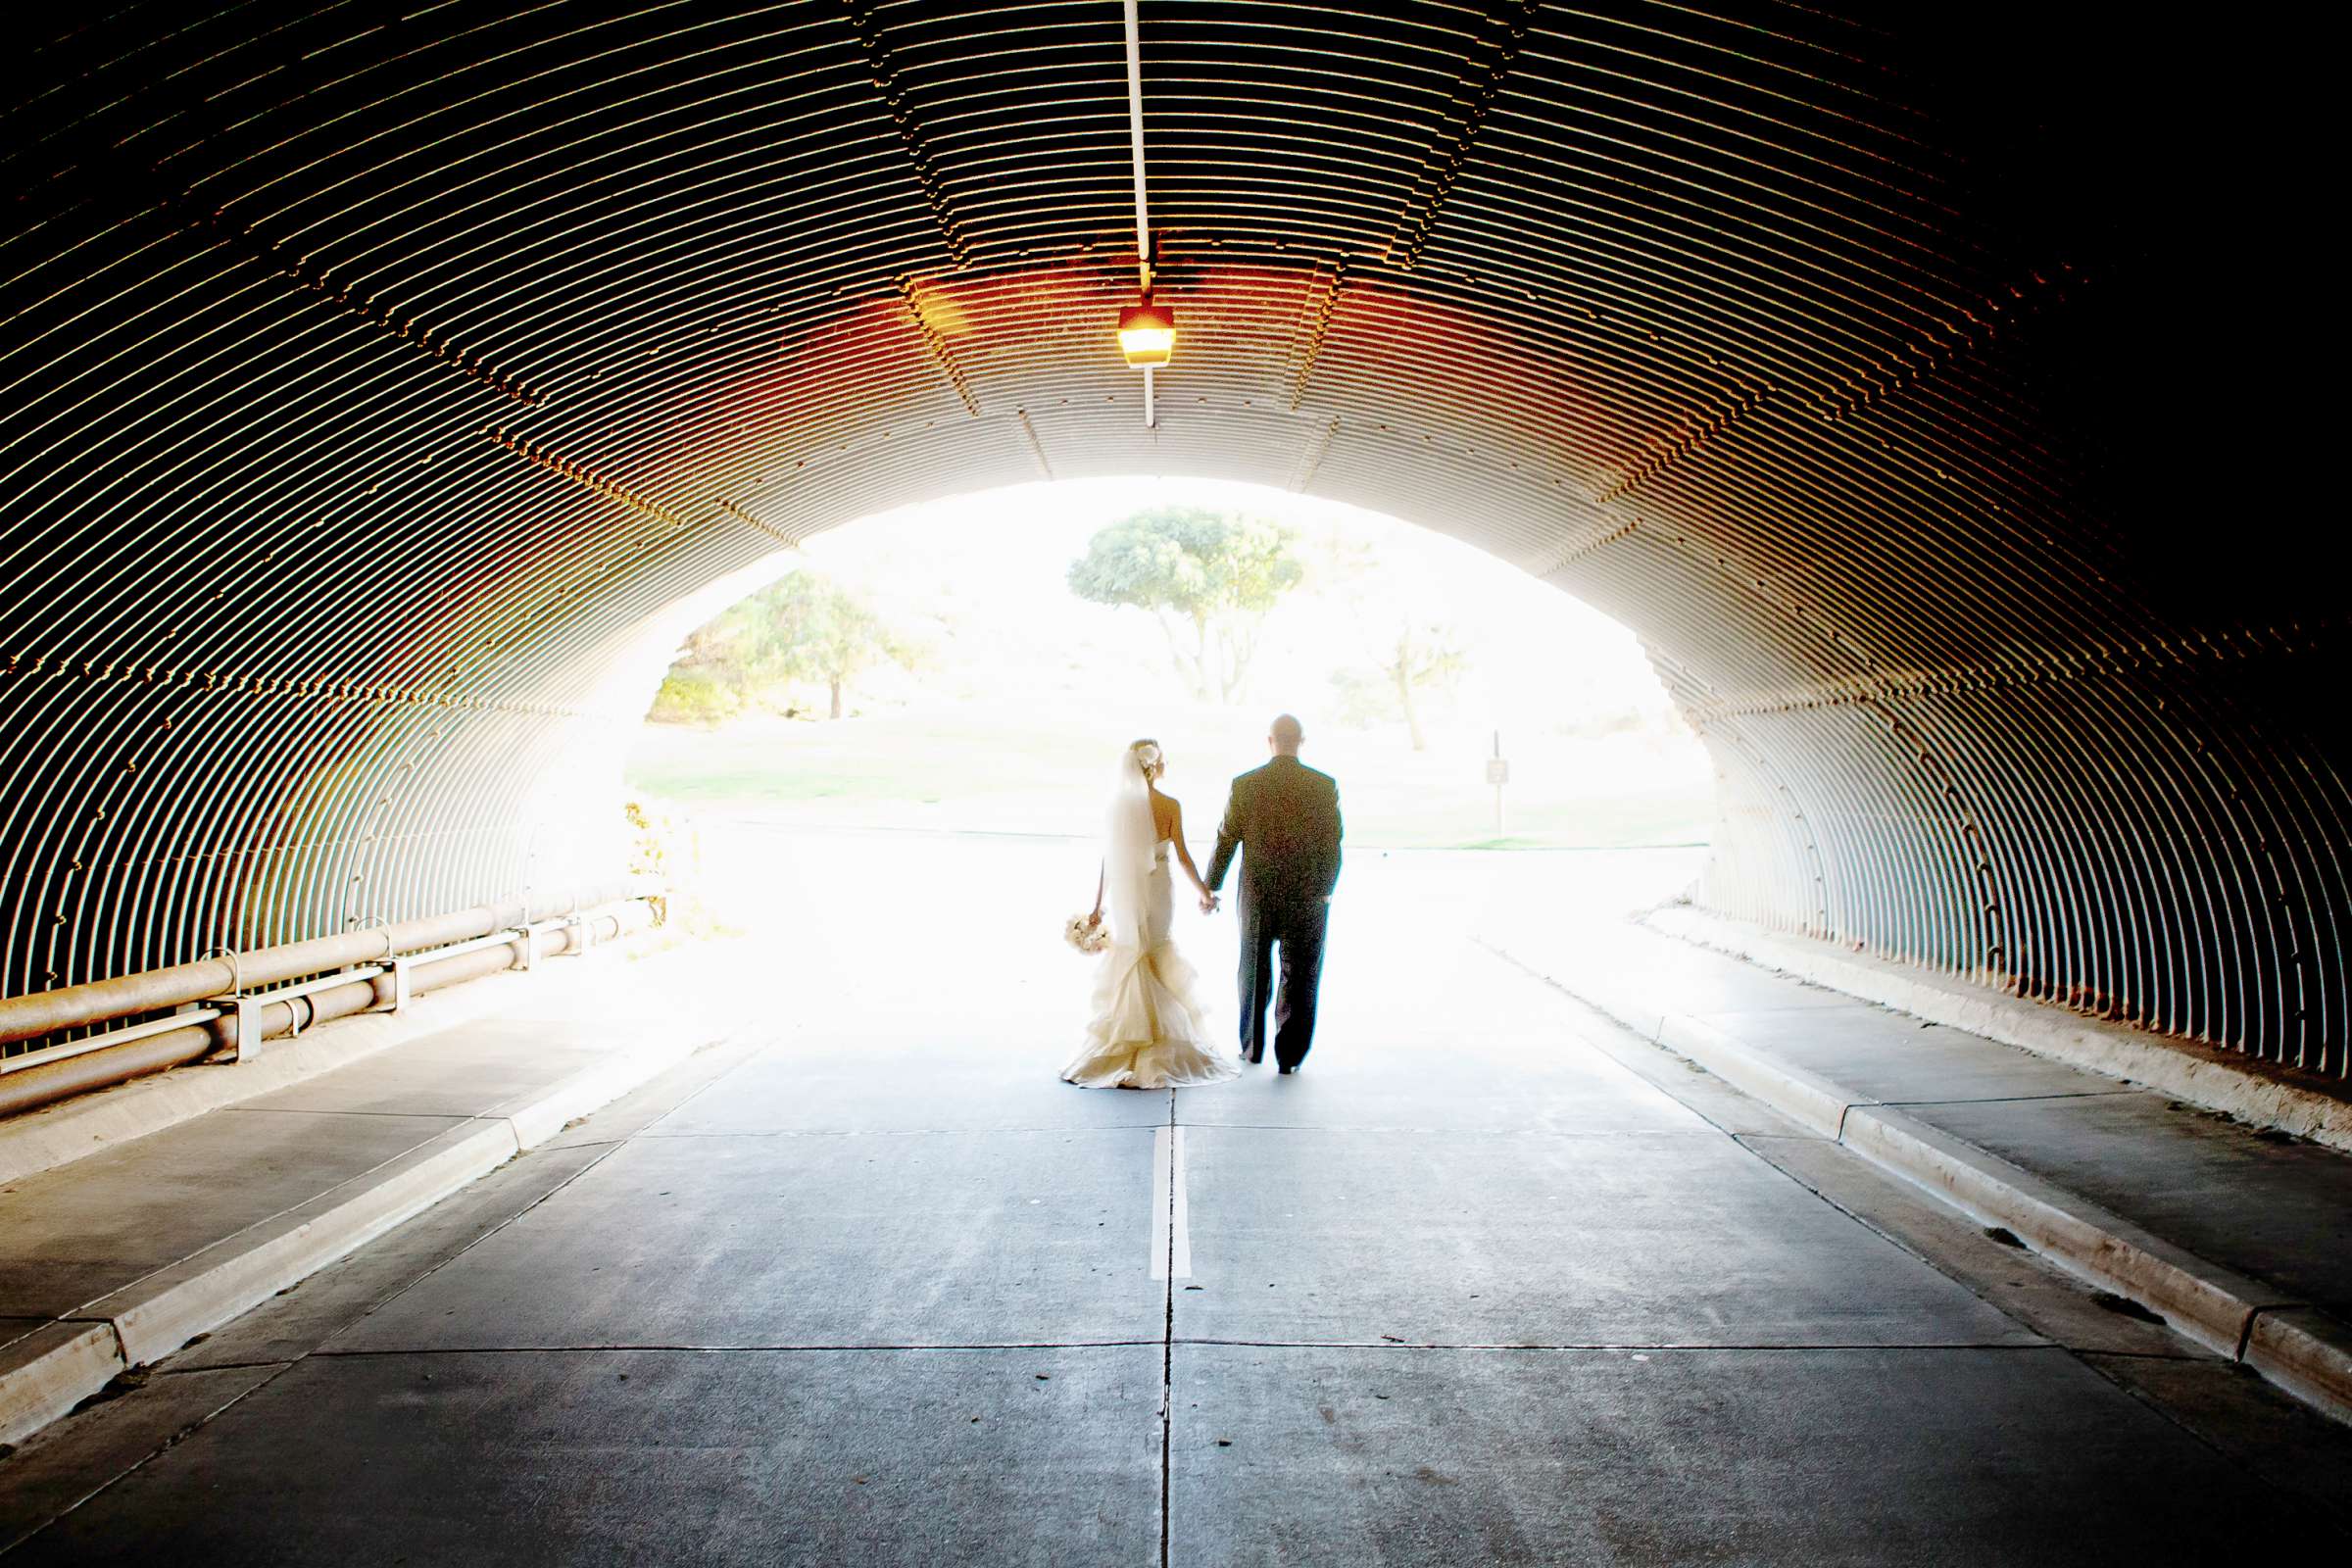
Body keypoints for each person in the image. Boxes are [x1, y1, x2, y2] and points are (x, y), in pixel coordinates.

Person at [1060, 740, 1239, 1090]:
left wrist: (1098, 906)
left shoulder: (1118, 807)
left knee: (1132, 950)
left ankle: (1127, 1037)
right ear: (1155, 767)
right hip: (1159, 887)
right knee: (1156, 947)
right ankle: (1161, 1040)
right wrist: (1206, 894)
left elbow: (1108, 861)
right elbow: (1184, 857)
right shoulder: (1170, 805)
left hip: (1127, 892)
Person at [1204, 714, 1342, 1074]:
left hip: (1258, 893)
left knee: (1253, 968)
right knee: (1301, 974)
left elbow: (1226, 838)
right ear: (1301, 740)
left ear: (1271, 741)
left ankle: (1252, 1047)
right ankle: (1290, 1056)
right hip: (1307, 894)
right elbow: (1332, 844)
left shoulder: (1246, 785)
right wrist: (1326, 889)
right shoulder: (1323, 786)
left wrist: (1212, 883)